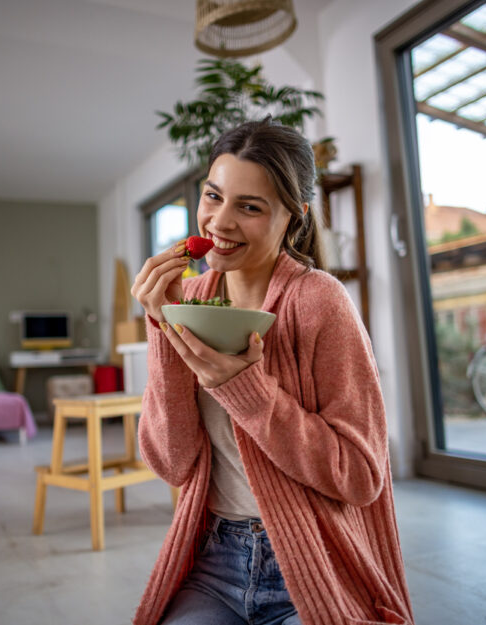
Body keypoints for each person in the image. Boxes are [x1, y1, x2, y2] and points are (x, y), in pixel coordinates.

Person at [130, 117, 414, 625]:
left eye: (250, 207)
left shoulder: (319, 301)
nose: (219, 222)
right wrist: (162, 328)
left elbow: (360, 475)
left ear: (293, 217)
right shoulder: (190, 298)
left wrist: (244, 390)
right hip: (214, 560)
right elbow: (171, 464)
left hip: (314, 560)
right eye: (213, 196)